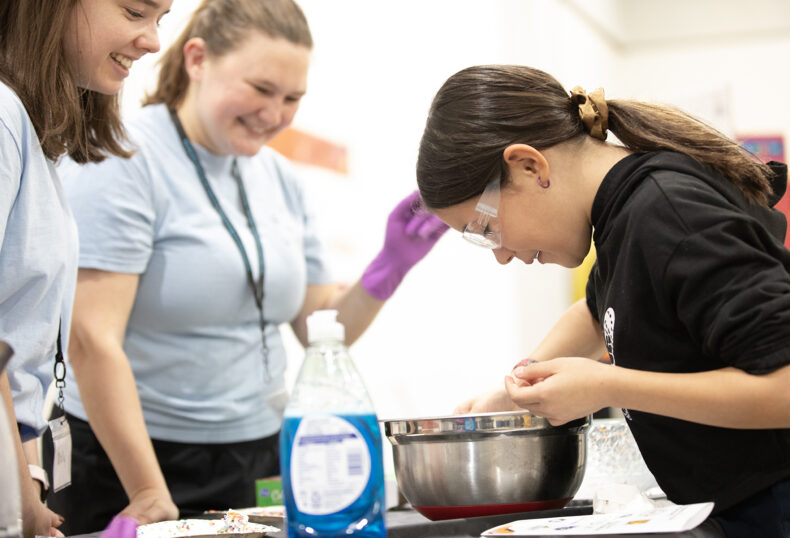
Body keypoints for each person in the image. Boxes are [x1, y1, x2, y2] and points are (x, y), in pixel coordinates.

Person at [43, 0, 448, 534]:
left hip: (256, 455)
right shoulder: (123, 157)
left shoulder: (279, 177)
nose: (275, 114)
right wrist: (146, 490)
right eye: (260, 89)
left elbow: (320, 332)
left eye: (292, 98)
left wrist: (388, 268)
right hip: (133, 462)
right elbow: (91, 339)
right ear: (197, 59)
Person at [415, 64, 790, 537]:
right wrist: (514, 392)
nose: (503, 257)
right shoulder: (623, 214)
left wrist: (612, 387)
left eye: (486, 230)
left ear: (530, 166)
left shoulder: (667, 213)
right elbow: (599, 314)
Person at [0, 1, 171, 537]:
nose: (152, 40)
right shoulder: (2, 115)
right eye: (135, 11)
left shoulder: (31, 133)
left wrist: (27, 473)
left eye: (160, 20)